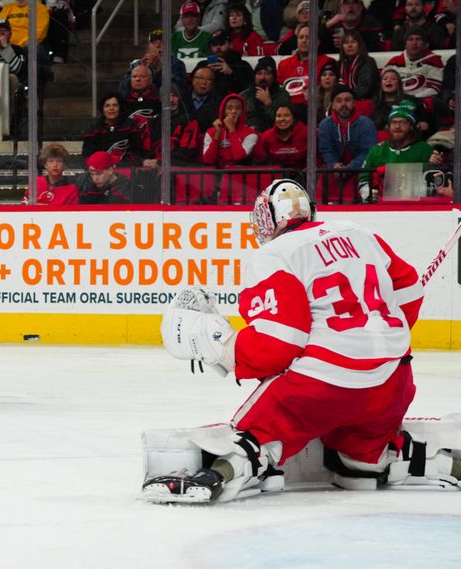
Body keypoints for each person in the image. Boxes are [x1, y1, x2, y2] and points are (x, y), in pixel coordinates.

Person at [148, 178, 451, 504]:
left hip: (322, 387)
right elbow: (409, 293)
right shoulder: (360, 233)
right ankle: (396, 462)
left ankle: (230, 469)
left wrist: (221, 349)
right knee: (360, 457)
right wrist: (374, 338)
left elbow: (278, 345)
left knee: (257, 435)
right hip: (394, 383)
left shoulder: (274, 254)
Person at [358, 104, 434, 202]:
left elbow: (433, 180)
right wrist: (367, 192)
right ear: (388, 126)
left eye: (403, 122)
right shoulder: (376, 150)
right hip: (382, 208)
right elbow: (363, 178)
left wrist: (433, 165)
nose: (397, 126)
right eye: (394, 122)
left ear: (411, 126)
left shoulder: (424, 149)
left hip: (416, 207)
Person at [81, 92, 146, 166]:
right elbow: (87, 156)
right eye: (107, 106)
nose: (111, 108)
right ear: (102, 109)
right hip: (100, 169)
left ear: (120, 108)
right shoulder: (94, 129)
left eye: (115, 105)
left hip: (127, 168)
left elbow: (137, 153)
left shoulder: (131, 126)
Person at [385, 27, 444, 102]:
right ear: (405, 44)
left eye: (418, 39)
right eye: (410, 39)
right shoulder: (394, 62)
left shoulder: (434, 61)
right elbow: (384, 86)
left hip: (422, 101)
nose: (414, 43)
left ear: (425, 45)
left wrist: (412, 99)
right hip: (397, 101)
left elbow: (435, 88)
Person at [202, 93, 259, 169]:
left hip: (241, 175)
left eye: (238, 108)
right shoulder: (211, 132)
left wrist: (232, 130)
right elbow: (208, 160)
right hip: (217, 175)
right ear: (223, 111)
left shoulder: (250, 133)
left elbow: (238, 156)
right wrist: (217, 136)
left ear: (243, 112)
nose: (234, 111)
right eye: (229, 108)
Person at [240, 56, 290, 133]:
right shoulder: (244, 96)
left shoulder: (282, 95)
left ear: (273, 76)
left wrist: (268, 104)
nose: (262, 77)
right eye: (259, 73)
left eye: (267, 73)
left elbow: (284, 123)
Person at [337, 30, 379, 117]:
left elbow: (365, 87)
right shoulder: (339, 64)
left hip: (364, 101)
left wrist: (346, 98)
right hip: (346, 101)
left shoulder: (368, 62)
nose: (349, 45)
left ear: (359, 45)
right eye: (346, 43)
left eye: (353, 42)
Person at [253, 102, 307, 171]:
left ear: (294, 118)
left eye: (286, 115)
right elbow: (260, 160)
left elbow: (317, 157)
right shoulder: (267, 136)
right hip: (276, 177)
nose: (282, 119)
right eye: (279, 116)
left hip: (303, 177)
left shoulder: (306, 133)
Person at [320, 0, 384, 53]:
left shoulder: (371, 24)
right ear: (340, 7)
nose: (350, 6)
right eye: (346, 3)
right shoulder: (333, 25)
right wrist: (328, 24)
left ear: (361, 7)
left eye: (355, 2)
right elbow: (314, 43)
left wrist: (348, 44)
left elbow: (378, 48)